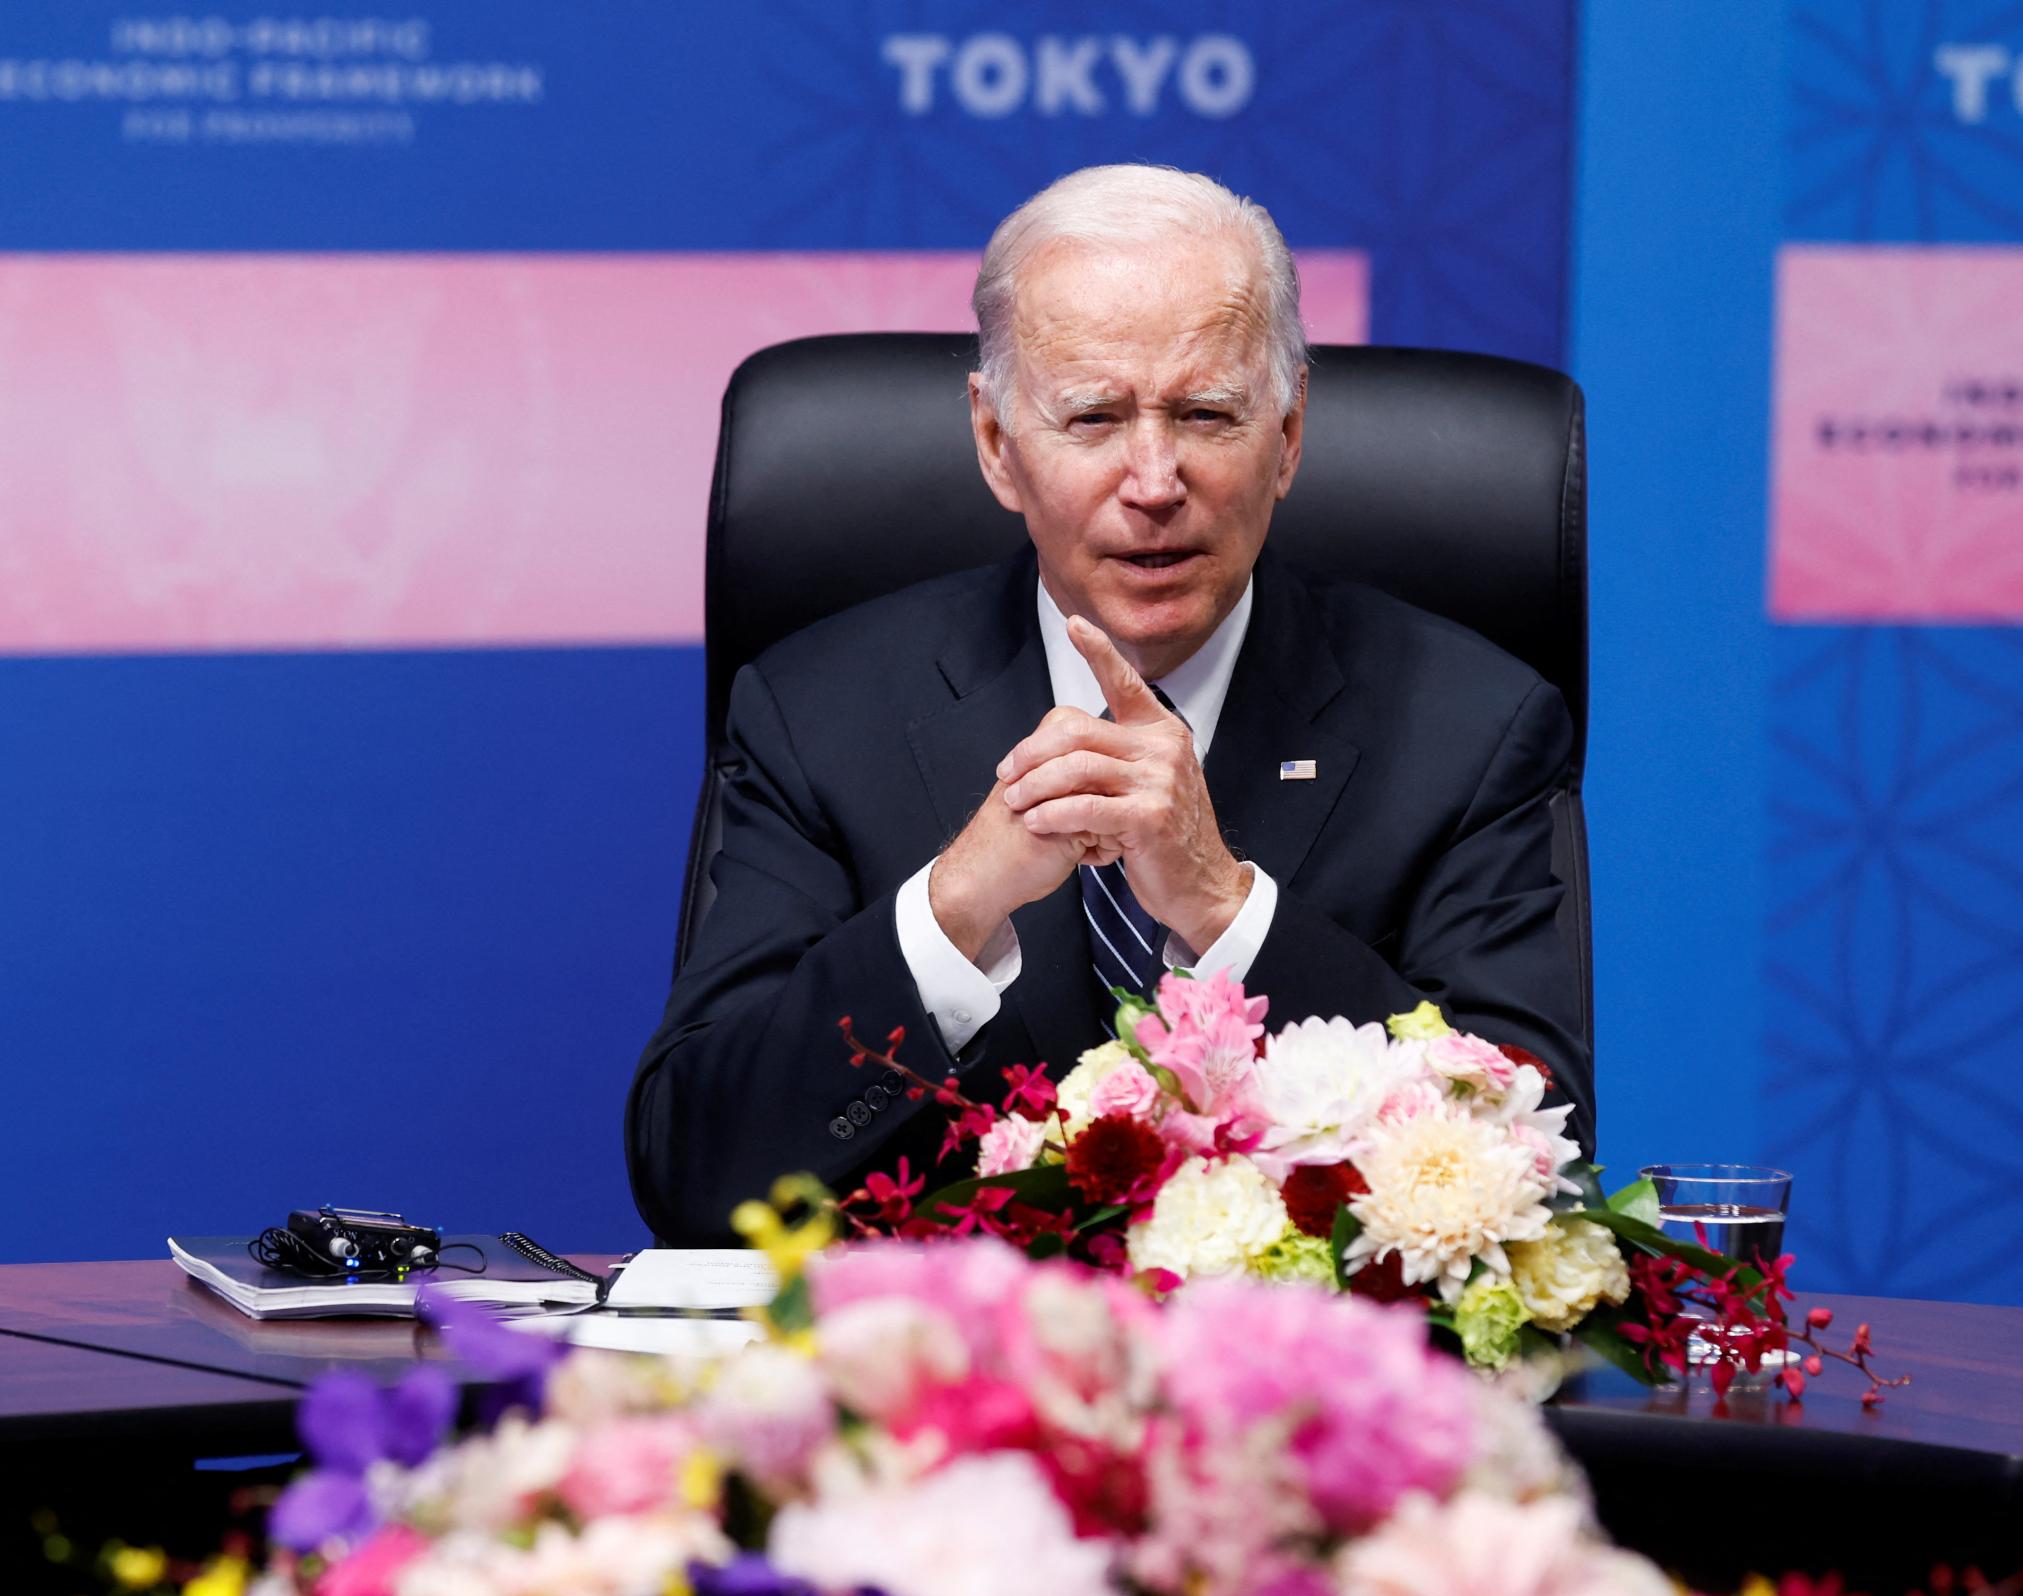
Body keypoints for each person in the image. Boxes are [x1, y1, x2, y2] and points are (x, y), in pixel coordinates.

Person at [627, 164, 1587, 1245]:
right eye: (1091, 417)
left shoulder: (1469, 726)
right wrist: (949, 911)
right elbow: (693, 1171)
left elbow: (1532, 1173)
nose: (1153, 480)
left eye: (1206, 413)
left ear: (1287, 434)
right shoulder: (819, 714)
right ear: (995, 444)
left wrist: (1228, 910)